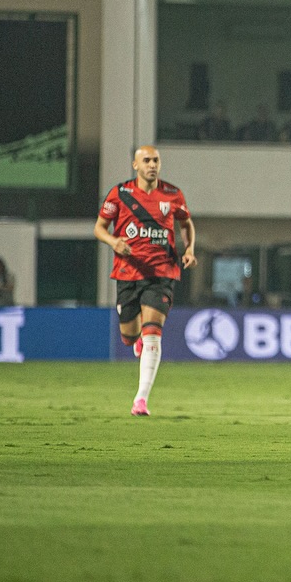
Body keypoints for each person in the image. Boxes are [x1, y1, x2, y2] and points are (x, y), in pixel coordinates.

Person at [94, 145, 196, 417]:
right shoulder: (120, 194)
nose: (152, 164)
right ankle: (138, 339)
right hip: (127, 273)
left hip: (161, 273)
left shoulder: (172, 194)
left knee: (153, 331)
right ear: (135, 165)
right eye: (147, 160)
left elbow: (186, 224)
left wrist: (189, 249)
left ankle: (141, 399)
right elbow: (99, 228)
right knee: (129, 337)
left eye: (156, 160)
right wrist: (114, 241)